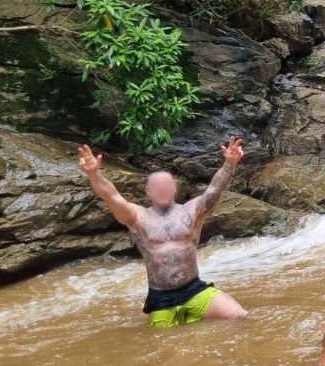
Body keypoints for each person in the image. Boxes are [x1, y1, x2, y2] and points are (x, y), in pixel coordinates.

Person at [77, 138, 250, 327]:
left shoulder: (192, 211)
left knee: (240, 316)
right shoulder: (137, 217)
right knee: (163, 344)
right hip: (161, 299)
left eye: (166, 184)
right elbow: (111, 196)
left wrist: (230, 163)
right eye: (156, 186)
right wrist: (93, 174)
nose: (162, 189)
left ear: (174, 188)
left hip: (194, 290)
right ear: (148, 192)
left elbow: (215, 189)